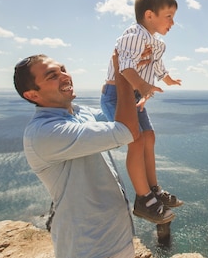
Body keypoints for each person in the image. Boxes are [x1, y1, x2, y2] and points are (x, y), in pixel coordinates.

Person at [15, 52, 140, 258]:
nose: (64, 76)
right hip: (89, 250)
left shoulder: (82, 113)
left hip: (121, 240)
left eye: (63, 69)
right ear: (32, 95)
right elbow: (127, 130)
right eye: (52, 76)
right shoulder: (45, 132)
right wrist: (123, 72)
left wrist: (134, 70)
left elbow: (121, 111)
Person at [101, 0, 183, 225]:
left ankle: (154, 189)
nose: (173, 22)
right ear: (149, 15)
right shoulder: (134, 34)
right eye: (168, 16)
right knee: (136, 140)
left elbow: (157, 66)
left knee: (149, 137)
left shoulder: (154, 42)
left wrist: (167, 79)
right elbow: (124, 67)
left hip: (134, 93)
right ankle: (143, 198)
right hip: (116, 94)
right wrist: (144, 86)